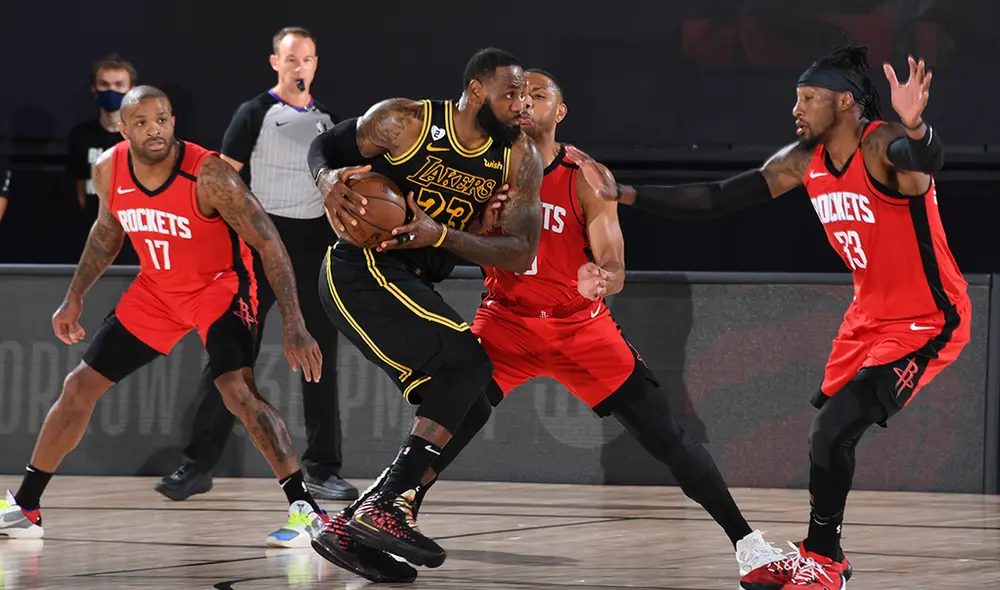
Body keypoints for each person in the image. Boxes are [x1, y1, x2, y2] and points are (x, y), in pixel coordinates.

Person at [308, 67, 787, 585]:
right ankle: (373, 518)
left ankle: (750, 546)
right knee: (449, 419)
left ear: (559, 112)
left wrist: (603, 278)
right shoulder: (490, 169)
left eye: (539, 95)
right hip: (508, 321)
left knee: (666, 434)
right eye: (517, 94)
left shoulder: (585, 175)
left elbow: (616, 265)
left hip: (579, 327)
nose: (526, 102)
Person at [570, 47, 964, 590]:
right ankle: (825, 553)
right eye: (795, 98)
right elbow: (715, 199)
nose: (796, 109)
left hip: (928, 319)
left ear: (845, 101)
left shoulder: (881, 147)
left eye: (808, 99)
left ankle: (823, 560)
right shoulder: (803, 161)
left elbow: (924, 160)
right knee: (826, 436)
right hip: (867, 320)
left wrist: (917, 127)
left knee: (833, 430)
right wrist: (627, 194)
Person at [0, 86, 331, 549]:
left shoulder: (209, 173)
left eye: (162, 120)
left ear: (174, 121)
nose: (154, 130)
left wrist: (294, 323)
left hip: (219, 286)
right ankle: (27, 506)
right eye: (142, 122)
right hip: (157, 290)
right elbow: (106, 231)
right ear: (123, 127)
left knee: (235, 389)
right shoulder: (108, 168)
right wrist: (74, 296)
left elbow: (269, 242)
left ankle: (305, 510)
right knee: (78, 387)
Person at [305, 47, 543, 578]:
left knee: (475, 402)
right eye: (510, 95)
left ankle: (353, 525)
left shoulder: (520, 157)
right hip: (358, 269)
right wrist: (325, 179)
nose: (521, 107)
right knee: (469, 364)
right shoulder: (405, 121)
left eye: (525, 97)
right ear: (476, 92)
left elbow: (521, 252)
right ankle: (385, 507)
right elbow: (325, 144)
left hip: (410, 278)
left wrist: (445, 235)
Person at [156, 25, 358, 510]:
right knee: (230, 355)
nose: (300, 68)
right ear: (275, 63)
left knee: (318, 358)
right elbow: (222, 180)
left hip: (312, 248)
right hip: (258, 244)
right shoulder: (253, 113)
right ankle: (198, 464)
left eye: (308, 59)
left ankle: (324, 469)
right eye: (291, 59)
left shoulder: (328, 121)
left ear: (315, 64)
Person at [67, 54, 139, 257]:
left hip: (132, 238)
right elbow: (79, 185)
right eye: (105, 85)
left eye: (119, 85)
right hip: (91, 234)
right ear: (94, 88)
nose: (111, 91)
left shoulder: (141, 137)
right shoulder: (81, 135)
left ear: (131, 89)